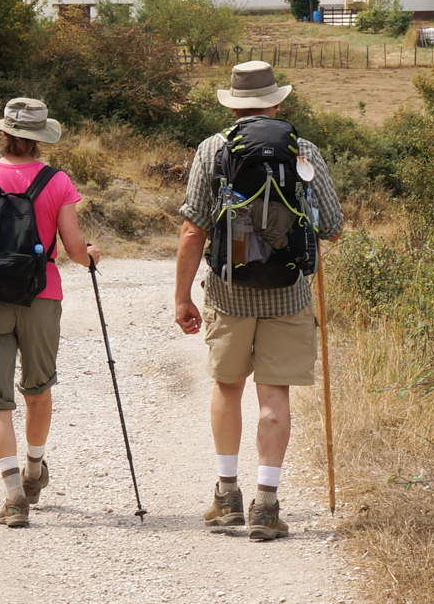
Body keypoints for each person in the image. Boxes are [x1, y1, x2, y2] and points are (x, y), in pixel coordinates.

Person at [174, 61, 344, 541]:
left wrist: (182, 296)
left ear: (232, 103)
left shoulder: (213, 149)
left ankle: (227, 498)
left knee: (227, 388)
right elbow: (332, 226)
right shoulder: (303, 150)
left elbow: (193, 229)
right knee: (275, 396)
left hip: (229, 293)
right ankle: (266, 507)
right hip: (288, 295)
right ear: (277, 101)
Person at [0, 98, 101, 528]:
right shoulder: (57, 181)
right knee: (38, 388)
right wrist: (92, 256)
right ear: (41, 138)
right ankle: (33, 470)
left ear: (4, 134)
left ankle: (14, 499)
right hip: (42, 297)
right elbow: (74, 249)